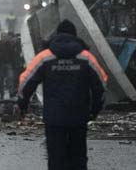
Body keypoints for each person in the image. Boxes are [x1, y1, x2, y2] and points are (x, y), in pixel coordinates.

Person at [17, 20, 107, 170]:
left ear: (57, 35)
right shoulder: (86, 57)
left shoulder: (45, 57)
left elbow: (26, 82)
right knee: (78, 157)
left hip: (54, 117)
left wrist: (22, 105)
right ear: (74, 35)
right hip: (79, 116)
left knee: (55, 157)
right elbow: (101, 84)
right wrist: (95, 109)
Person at [0, 32, 15, 99]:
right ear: (1, 37)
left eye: (5, 36)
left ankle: (11, 93)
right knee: (1, 81)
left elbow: (12, 54)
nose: (4, 37)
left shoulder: (9, 44)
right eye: (3, 36)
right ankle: (2, 94)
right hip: (0, 64)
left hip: (8, 64)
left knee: (10, 78)